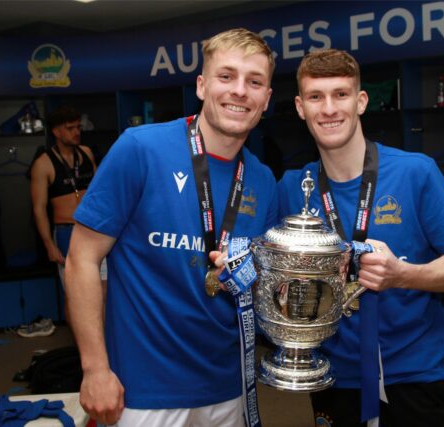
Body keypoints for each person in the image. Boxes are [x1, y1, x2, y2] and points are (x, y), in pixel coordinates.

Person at [64, 28, 277, 426]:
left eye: (254, 81)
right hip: (143, 389)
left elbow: (262, 280)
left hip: (227, 385)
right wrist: (94, 369)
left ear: (266, 98)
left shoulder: (263, 180)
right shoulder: (140, 149)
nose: (239, 90)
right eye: (226, 76)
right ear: (202, 85)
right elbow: (81, 260)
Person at [278, 49, 444, 427]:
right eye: (316, 97)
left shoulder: (416, 172)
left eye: (341, 94)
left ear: (361, 101)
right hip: (332, 374)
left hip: (411, 374)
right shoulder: (293, 187)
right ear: (301, 108)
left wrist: (402, 275)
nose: (329, 109)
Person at [29, 106, 107, 314]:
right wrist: (49, 245)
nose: (77, 132)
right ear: (56, 132)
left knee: (103, 290)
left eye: (78, 127)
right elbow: (38, 209)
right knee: (76, 296)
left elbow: (99, 192)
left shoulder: (86, 153)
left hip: (94, 229)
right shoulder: (43, 164)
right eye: (70, 128)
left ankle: (102, 335)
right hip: (67, 233)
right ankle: (81, 336)